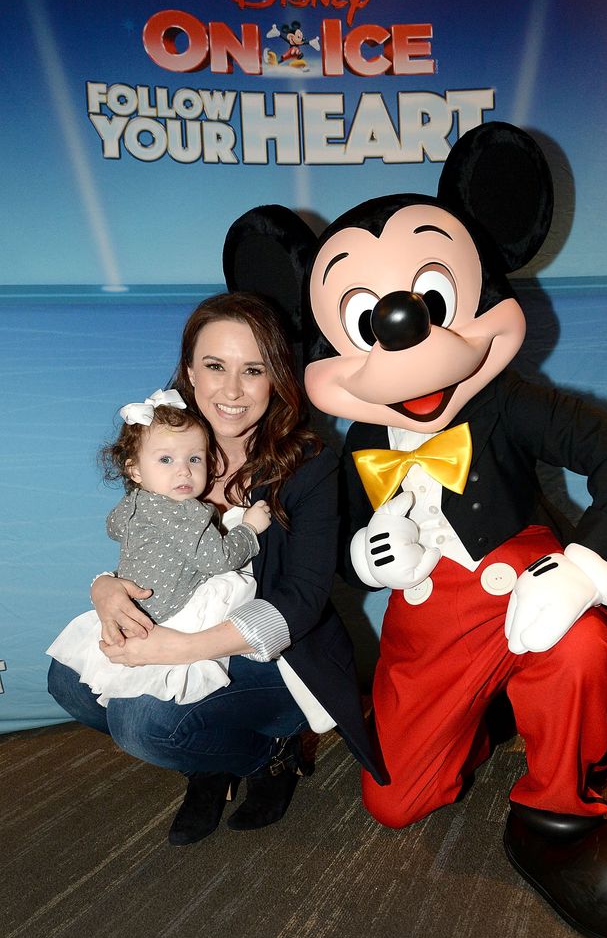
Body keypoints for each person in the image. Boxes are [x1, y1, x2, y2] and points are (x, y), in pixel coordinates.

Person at [48, 292, 381, 846]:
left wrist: (177, 648)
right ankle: (210, 760)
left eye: (253, 370)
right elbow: (142, 546)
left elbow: (301, 601)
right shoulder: (169, 446)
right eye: (215, 366)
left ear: (277, 379)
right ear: (188, 372)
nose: (232, 390)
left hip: (277, 653)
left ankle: (268, 755)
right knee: (70, 679)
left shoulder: (312, 465)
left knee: (143, 724)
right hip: (181, 623)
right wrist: (106, 589)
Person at [47, 389, 271, 707]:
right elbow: (218, 559)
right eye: (166, 459)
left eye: (194, 458)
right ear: (135, 470)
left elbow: (114, 528)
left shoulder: (134, 502)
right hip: (171, 615)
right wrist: (249, 528)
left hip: (139, 612)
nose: (183, 470)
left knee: (107, 692)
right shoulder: (186, 510)